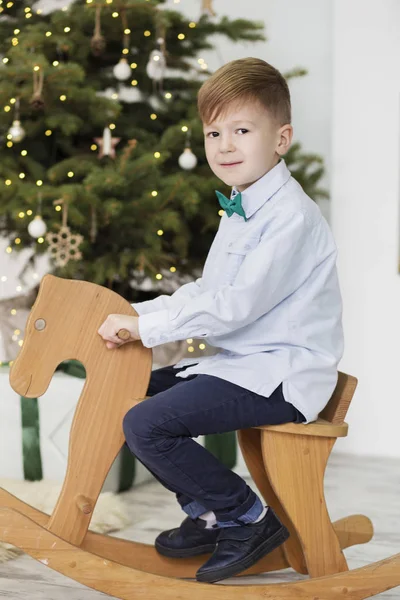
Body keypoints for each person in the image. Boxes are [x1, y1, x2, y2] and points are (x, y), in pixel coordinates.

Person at [97, 57, 344, 584]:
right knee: (132, 392)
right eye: (214, 132)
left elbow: (235, 307)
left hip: (282, 373)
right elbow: (209, 291)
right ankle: (209, 514)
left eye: (242, 130)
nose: (224, 145)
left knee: (148, 422)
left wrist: (146, 329)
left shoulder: (290, 217)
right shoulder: (243, 206)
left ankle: (247, 517)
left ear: (281, 139)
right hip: (243, 364)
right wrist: (137, 314)